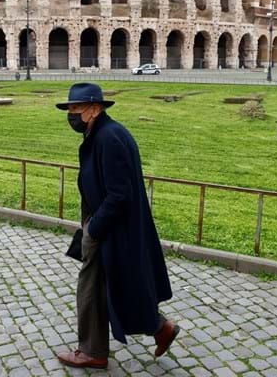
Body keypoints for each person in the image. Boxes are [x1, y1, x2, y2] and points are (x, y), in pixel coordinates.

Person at [55, 83, 178, 369]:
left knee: (91, 287)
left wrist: (94, 228)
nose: (71, 114)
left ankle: (93, 351)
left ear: (95, 108)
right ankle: (160, 329)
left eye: (76, 108)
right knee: (115, 286)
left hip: (109, 229)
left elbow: (120, 194)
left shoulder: (109, 138)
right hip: (108, 227)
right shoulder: (102, 133)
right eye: (69, 108)